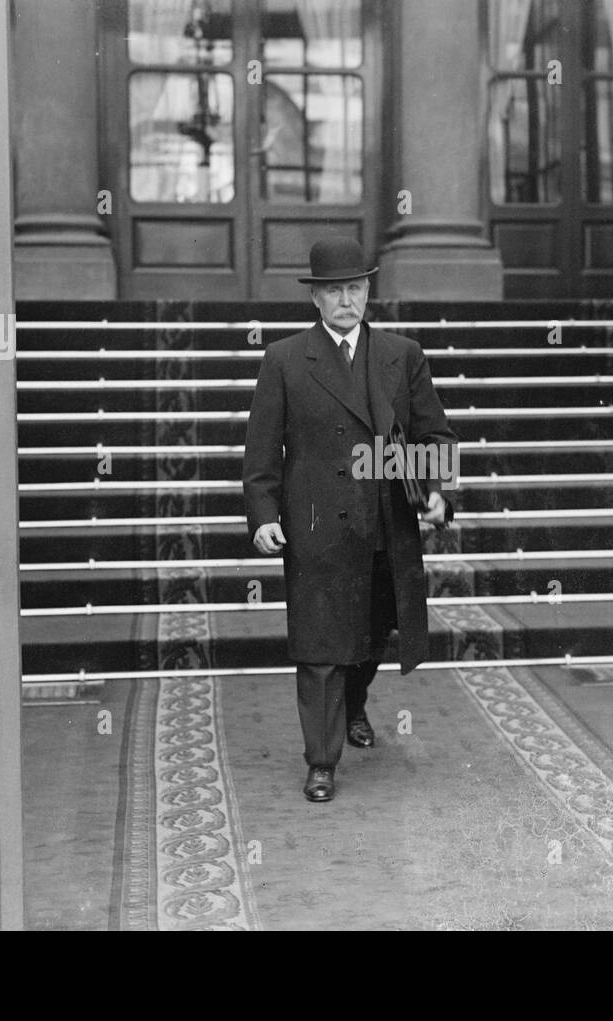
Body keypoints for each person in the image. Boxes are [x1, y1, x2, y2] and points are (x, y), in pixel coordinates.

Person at [242, 237, 457, 803]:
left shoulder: (401, 355)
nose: (345, 301)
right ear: (315, 299)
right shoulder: (285, 360)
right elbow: (262, 452)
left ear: (368, 292)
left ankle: (355, 702)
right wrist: (263, 515)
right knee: (319, 645)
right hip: (316, 526)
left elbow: (436, 434)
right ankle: (321, 761)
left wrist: (433, 491)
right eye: (333, 291)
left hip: (385, 523)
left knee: (373, 632)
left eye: (354, 289)